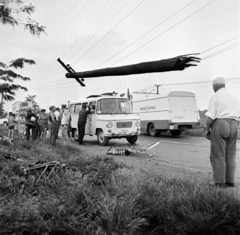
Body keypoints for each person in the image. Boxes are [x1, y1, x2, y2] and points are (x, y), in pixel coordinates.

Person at [205, 77, 240, 188]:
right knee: (230, 154)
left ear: (215, 86)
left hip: (220, 123)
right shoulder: (233, 96)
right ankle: (230, 181)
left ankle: (219, 182)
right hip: (234, 124)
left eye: (212, 86)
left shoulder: (216, 96)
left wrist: (207, 128)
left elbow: (211, 115)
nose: (213, 88)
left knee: (218, 154)